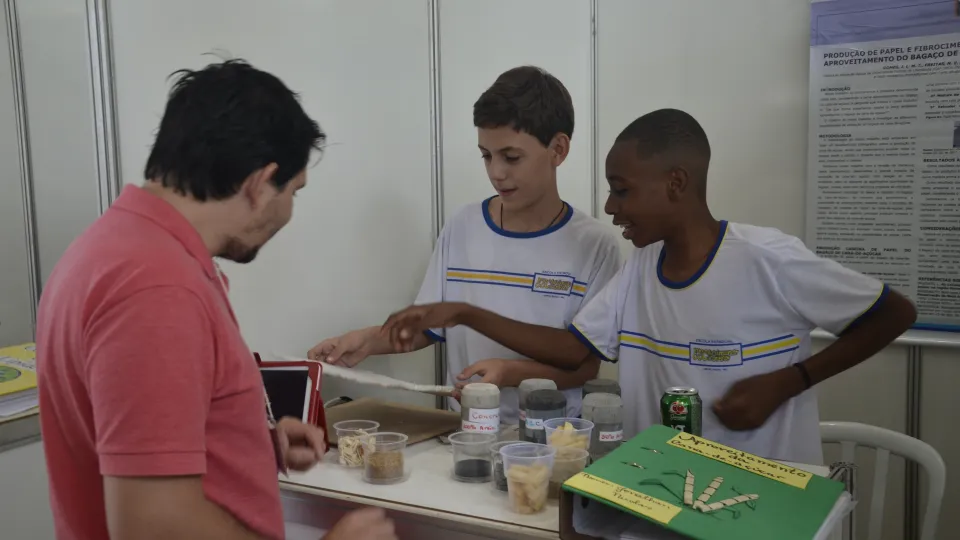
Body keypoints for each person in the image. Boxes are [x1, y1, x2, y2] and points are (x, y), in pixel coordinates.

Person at [380, 108, 918, 465]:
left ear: (676, 183)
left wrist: (789, 381)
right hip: (659, 495)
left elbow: (894, 313)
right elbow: (572, 348)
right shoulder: (639, 269)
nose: (611, 207)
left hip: (762, 503)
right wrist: (463, 312)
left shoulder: (766, 261)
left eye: (622, 191)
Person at [36, 60, 396, 540]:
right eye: (294, 191)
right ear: (259, 183)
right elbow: (152, 524)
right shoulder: (156, 290)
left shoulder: (109, 250)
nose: (290, 210)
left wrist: (248, 442)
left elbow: (131, 436)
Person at [309, 66, 622, 423]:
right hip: (467, 434)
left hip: (555, 440)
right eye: (486, 156)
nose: (496, 172)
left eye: (511, 157)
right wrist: (365, 341)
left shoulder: (594, 245)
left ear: (558, 149)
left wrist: (509, 371)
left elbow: (583, 367)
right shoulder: (463, 226)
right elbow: (428, 327)